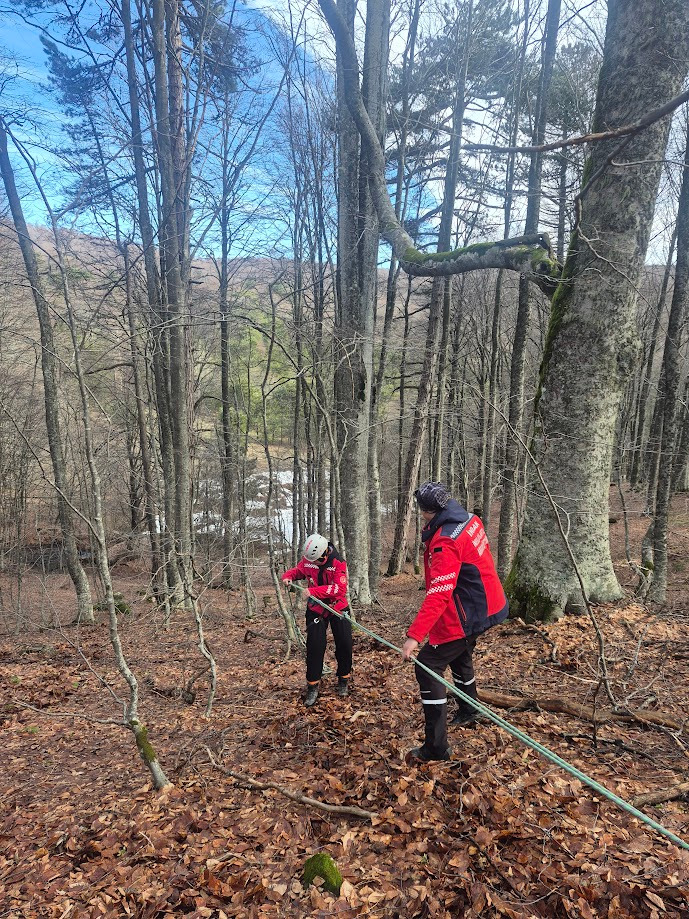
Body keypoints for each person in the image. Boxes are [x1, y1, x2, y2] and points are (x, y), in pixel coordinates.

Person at [402, 481, 508, 762]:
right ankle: (469, 708)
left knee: (428, 666)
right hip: (486, 602)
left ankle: (435, 747)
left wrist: (415, 636)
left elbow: (440, 591)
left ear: (427, 511)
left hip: (470, 610)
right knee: (460, 652)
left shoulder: (445, 541)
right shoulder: (468, 518)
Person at [282, 533, 353, 707]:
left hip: (337, 607)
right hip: (316, 609)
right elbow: (300, 570)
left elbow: (339, 588)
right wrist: (289, 575)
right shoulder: (308, 560)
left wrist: (314, 592)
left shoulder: (338, 563)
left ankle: (343, 679)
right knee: (315, 646)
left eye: (316, 561)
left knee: (344, 643)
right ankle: (312, 685)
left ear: (324, 555)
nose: (312, 564)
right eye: (310, 561)